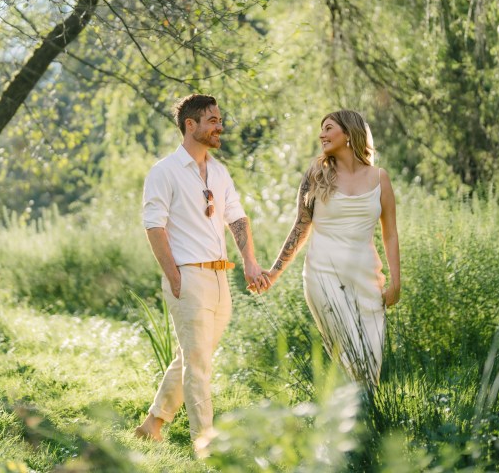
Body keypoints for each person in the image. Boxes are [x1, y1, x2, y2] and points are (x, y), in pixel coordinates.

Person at [134, 94, 267, 443]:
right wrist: (174, 276)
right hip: (188, 276)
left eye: (220, 120)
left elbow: (236, 217)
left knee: (195, 356)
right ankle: (204, 444)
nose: (219, 126)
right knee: (198, 365)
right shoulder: (164, 171)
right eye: (212, 120)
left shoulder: (220, 172)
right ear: (190, 125)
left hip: (221, 277)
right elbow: (153, 225)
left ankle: (153, 424)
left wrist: (250, 262)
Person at [264, 110, 400, 385]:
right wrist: (274, 272)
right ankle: (355, 417)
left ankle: (365, 421)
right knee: (352, 355)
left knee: (371, 357)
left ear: (348, 134)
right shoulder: (317, 174)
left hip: (367, 280)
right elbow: (300, 227)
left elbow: (391, 234)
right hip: (322, 276)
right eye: (321, 129)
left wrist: (396, 282)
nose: (321, 135)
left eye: (328, 128)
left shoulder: (379, 178)